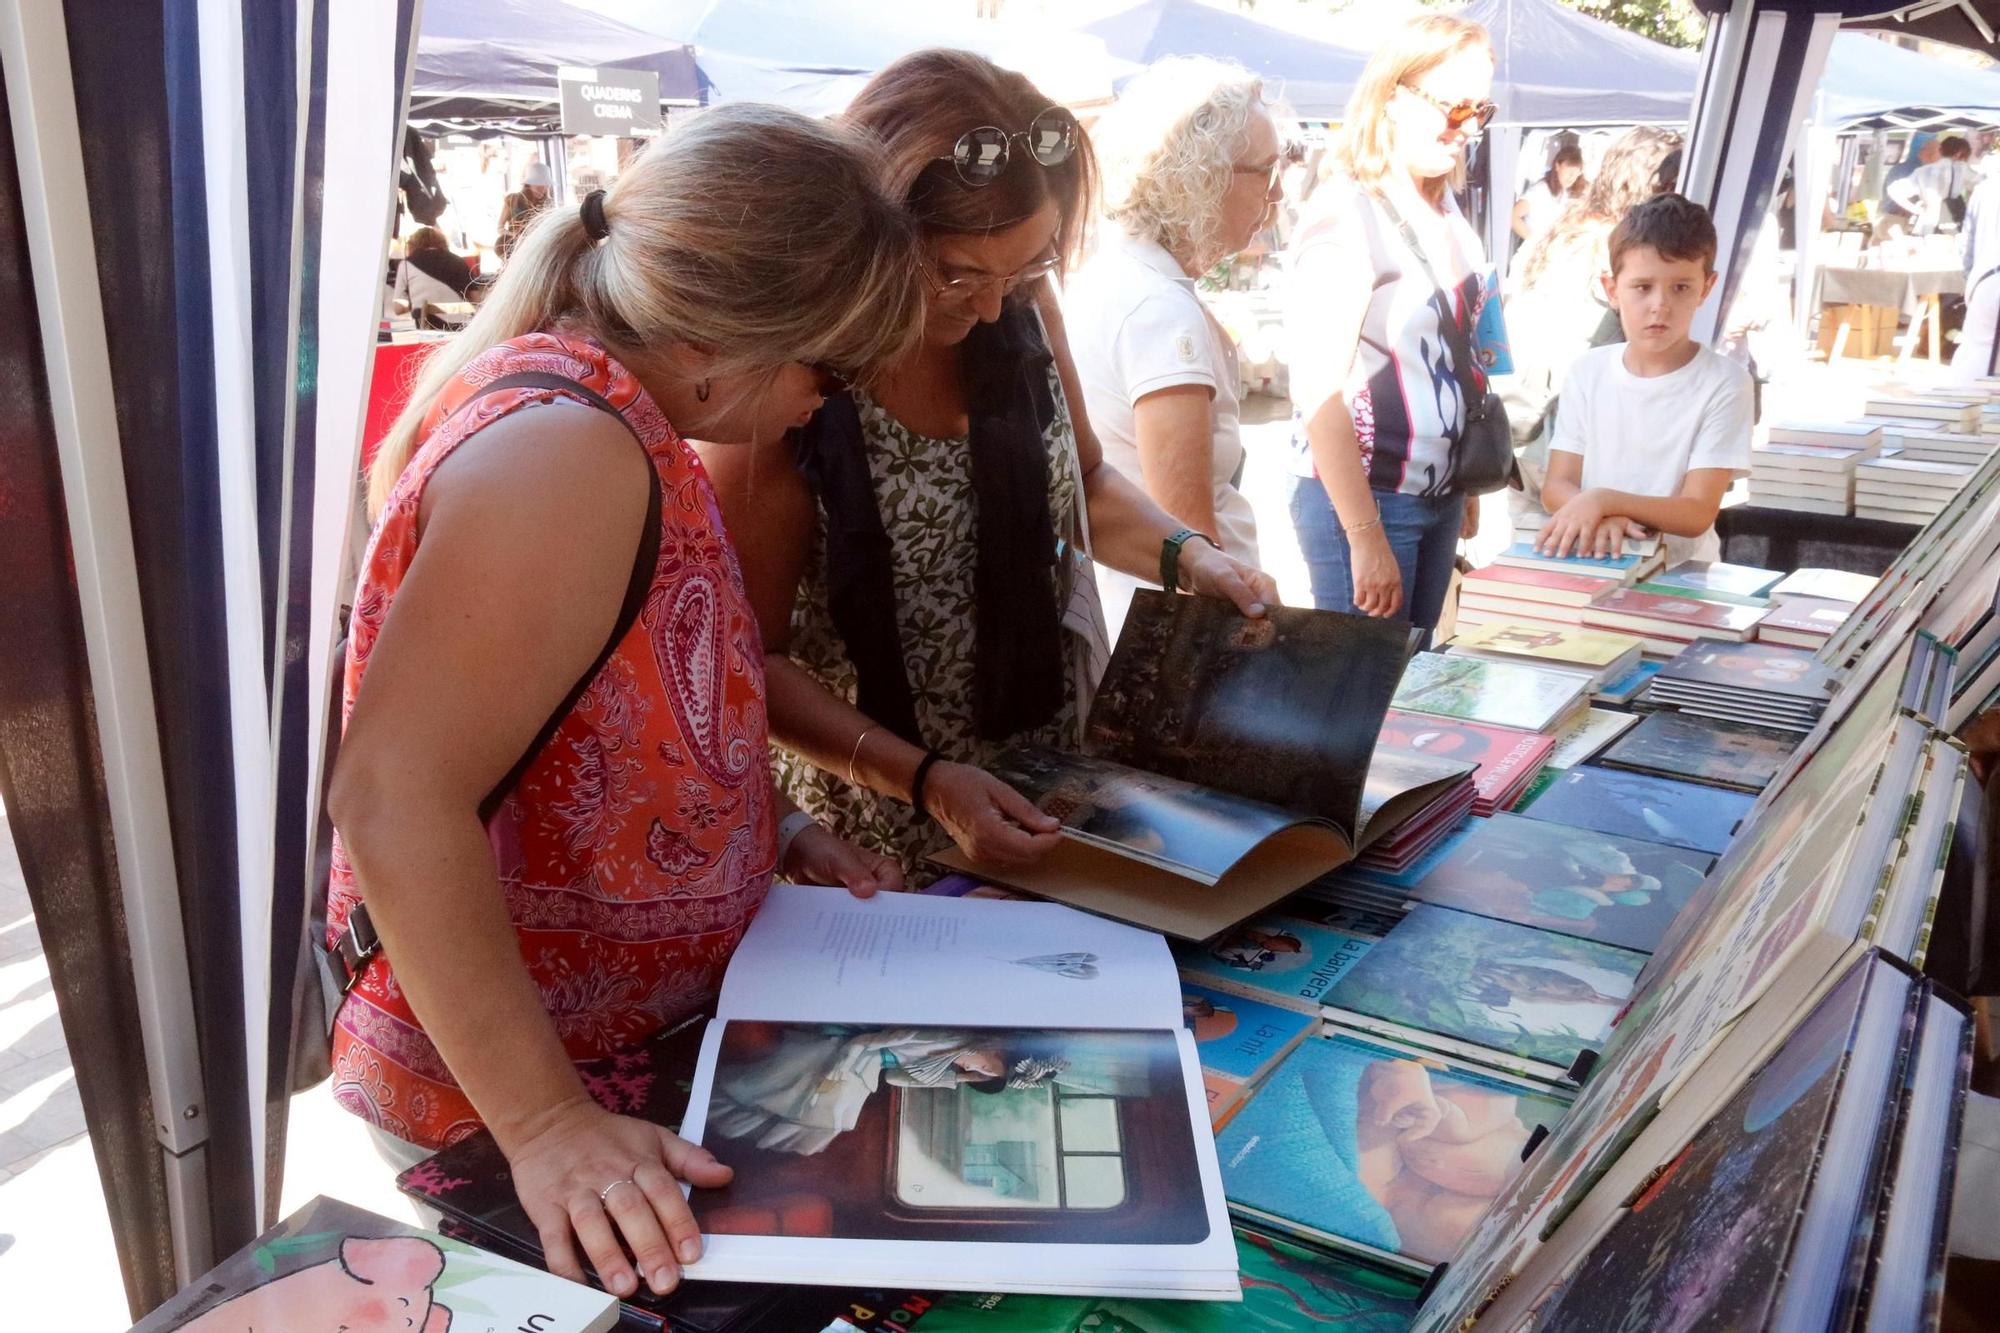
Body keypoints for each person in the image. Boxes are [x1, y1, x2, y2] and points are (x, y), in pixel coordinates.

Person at [325, 106, 927, 1301]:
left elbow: (623, 701)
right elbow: (394, 796)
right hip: (522, 1093)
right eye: (832, 367)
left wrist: (776, 831)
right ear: (725, 339)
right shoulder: (571, 452)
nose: (830, 402)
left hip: (605, 1061)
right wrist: (546, 1124)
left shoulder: (624, 424)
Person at [701, 50, 1277, 882]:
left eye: (1028, 267)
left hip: (1042, 788)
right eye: (958, 274)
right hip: (873, 836)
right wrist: (929, 783)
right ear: (874, 233)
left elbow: (1085, 485)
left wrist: (1194, 558)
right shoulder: (788, 383)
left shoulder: (1020, 310)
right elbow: (755, 660)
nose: (992, 306)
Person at [1285, 13, 1497, 630]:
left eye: (1479, 110)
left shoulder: (1450, 212)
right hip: (1369, 497)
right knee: (1370, 702)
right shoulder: (1346, 217)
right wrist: (1363, 535)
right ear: (1394, 98)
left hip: (1439, 493)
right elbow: (1316, 393)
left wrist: (1468, 481)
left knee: (1411, 695)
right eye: (1452, 107)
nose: (1465, 127)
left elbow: (1479, 359)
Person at [1064, 57, 1282, 639]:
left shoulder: (1123, 273)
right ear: (1201, 177)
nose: (1279, 191)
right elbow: (1191, 534)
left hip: (1126, 608)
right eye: (1265, 170)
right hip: (1172, 629)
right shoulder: (1160, 308)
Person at [1537, 193, 1754, 564]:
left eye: (1681, 287)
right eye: (1642, 287)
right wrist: (1607, 515)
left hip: (1681, 574)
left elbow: (1696, 512)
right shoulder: (1588, 371)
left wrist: (1603, 501)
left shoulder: (1725, 383)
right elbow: (1556, 485)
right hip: (1594, 559)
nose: (1660, 305)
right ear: (1612, 290)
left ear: (1706, 287)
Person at [1499, 126, 1682, 524]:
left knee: (1537, 569)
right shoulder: (1623, 249)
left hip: (1522, 434)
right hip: (1575, 445)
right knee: (1594, 574)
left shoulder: (1559, 231)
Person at [1889, 134, 1973, 236]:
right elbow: (1985, 185)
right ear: (1959, 154)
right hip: (1953, 227)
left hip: (1927, 226)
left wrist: (1916, 209)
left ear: (1941, 150)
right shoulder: (1962, 169)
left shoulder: (1922, 171)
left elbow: (1893, 190)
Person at [392, 226, 477, 327]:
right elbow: (476, 300)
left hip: (428, 328)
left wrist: (416, 302)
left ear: (411, 245)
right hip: (462, 326)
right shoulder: (459, 261)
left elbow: (399, 308)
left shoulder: (406, 264)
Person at [1511, 143, 1585, 246]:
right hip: (1539, 253)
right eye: (1569, 170)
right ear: (1557, 166)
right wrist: (1535, 243)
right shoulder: (1539, 191)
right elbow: (1513, 216)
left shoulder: (1566, 193)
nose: (1572, 176)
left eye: (1576, 171)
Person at [495, 160, 553, 260]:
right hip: (515, 246)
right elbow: (500, 228)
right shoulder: (512, 199)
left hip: (539, 247)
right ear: (528, 185)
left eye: (545, 187)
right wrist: (514, 235)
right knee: (500, 244)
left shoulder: (549, 204)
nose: (542, 190)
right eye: (538, 187)